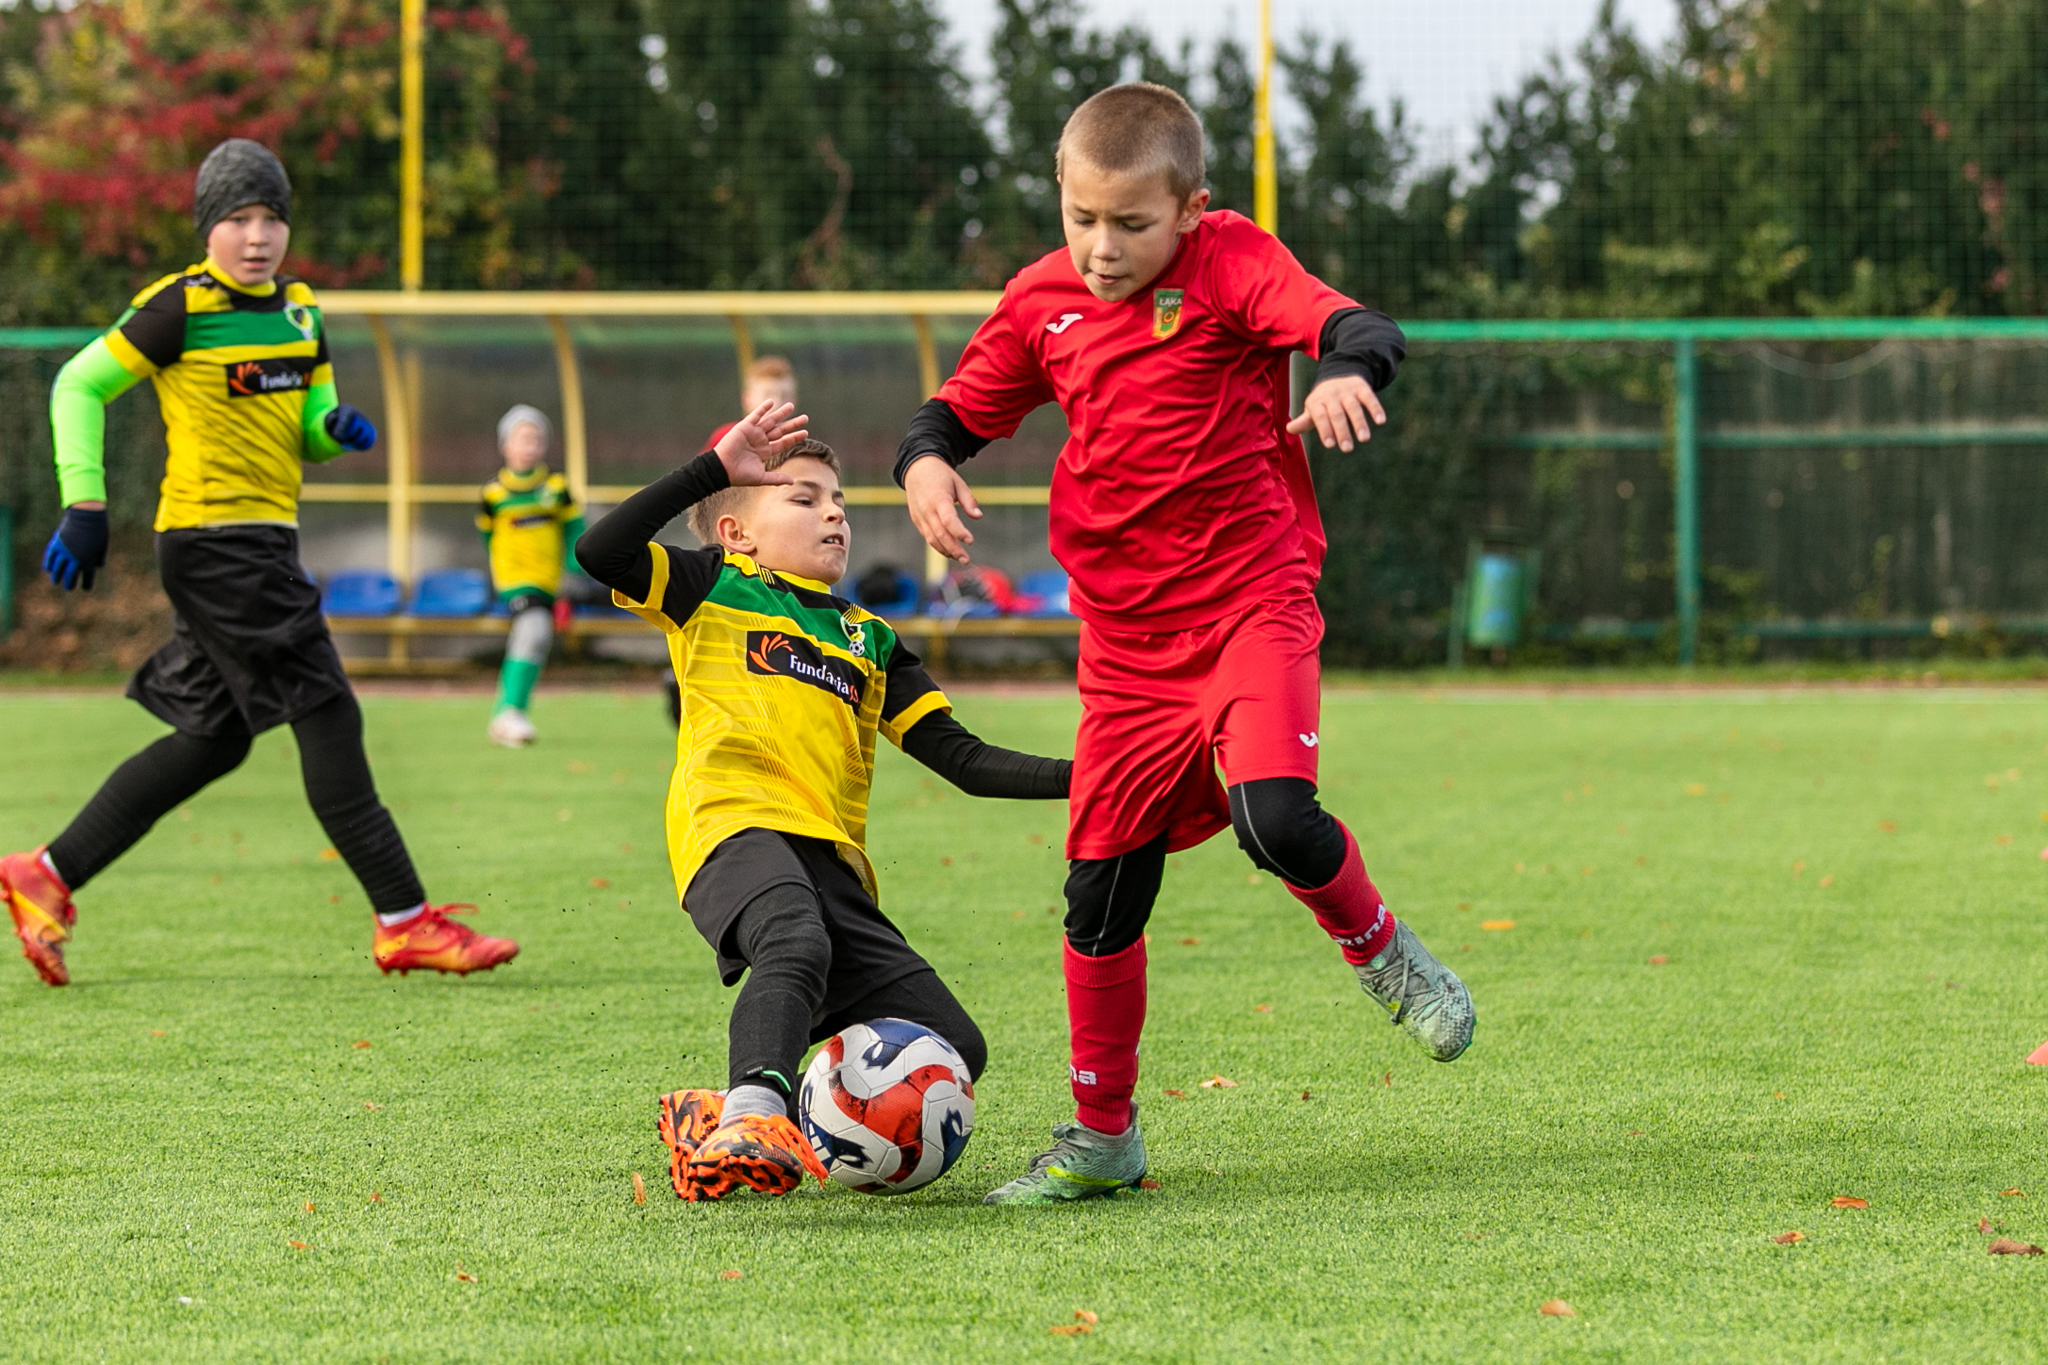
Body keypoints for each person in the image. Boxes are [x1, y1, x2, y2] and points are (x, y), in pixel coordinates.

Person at [893, 84, 1473, 1205]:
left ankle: (1382, 952)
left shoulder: (1231, 261)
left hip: (1251, 598)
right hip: (1124, 643)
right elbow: (950, 415)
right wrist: (925, 465)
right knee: (1102, 891)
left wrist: (1346, 372)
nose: (1101, 249)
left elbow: (1356, 326)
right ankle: (1102, 1135)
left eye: (1131, 224)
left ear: (1191, 209)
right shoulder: (1042, 299)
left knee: (1276, 818)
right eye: (1080, 219)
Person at [1, 139, 519, 986]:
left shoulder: (301, 312)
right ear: (207, 227)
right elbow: (77, 385)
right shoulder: (179, 307)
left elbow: (308, 423)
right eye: (237, 218)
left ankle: (45, 873)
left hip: (264, 540)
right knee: (328, 710)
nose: (256, 236)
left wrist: (332, 431)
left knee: (214, 739)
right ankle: (405, 921)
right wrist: (83, 502)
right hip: (215, 543)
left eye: (271, 217)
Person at [576, 400, 1070, 1201]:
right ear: (736, 531)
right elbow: (600, 550)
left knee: (953, 1048)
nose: (834, 513)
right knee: (793, 939)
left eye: (839, 500)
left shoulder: (869, 638)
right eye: (804, 498)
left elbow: (966, 760)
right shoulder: (711, 584)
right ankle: (753, 1115)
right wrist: (712, 470)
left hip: (831, 858)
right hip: (731, 822)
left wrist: (1094, 773)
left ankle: (722, 1118)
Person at [477, 404, 585, 747]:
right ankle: (510, 712)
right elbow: (488, 536)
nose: (530, 446)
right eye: (522, 439)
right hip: (515, 581)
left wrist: (571, 575)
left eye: (536, 439)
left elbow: (575, 531)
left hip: (550, 580)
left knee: (534, 639)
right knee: (534, 632)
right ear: (505, 445)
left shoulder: (556, 487)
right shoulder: (493, 493)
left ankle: (506, 715)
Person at [705, 355, 797, 451]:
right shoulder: (725, 437)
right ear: (747, 399)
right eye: (768, 395)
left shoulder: (797, 443)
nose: (777, 403)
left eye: (784, 395)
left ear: (794, 400)